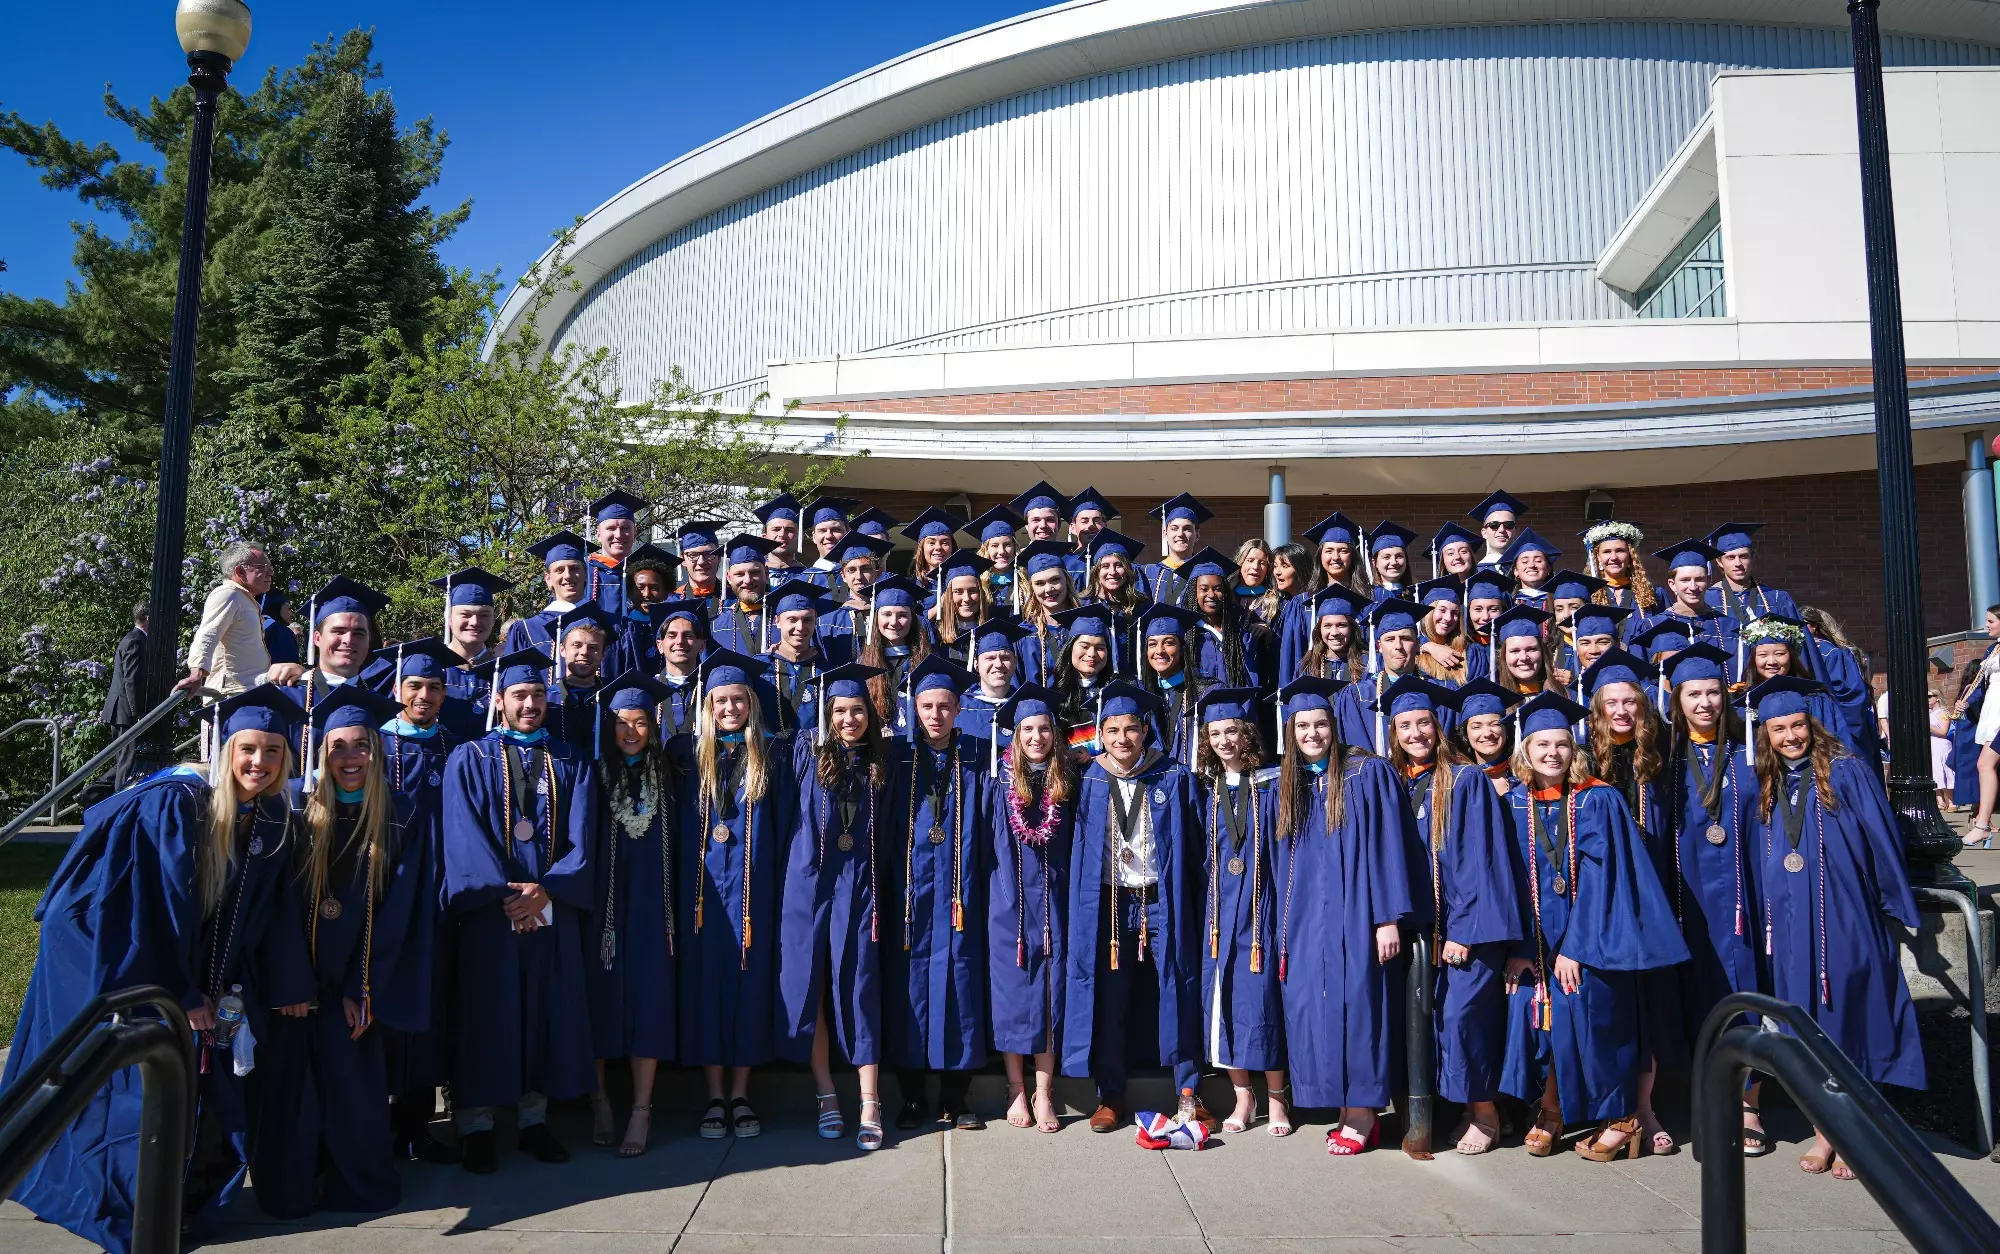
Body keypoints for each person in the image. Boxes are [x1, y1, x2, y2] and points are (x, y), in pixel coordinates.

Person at [3, 688, 312, 1254]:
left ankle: (177, 1194)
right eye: (248, 748)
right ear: (224, 747)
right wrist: (179, 990)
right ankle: (118, 1200)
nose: (259, 763)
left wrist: (264, 987)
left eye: (273, 751)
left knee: (193, 1071)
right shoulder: (178, 803)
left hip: (173, 953)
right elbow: (150, 903)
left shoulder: (270, 816)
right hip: (104, 944)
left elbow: (267, 911)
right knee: (114, 1077)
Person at [255, 686, 432, 1221]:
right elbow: (277, 912)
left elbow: (400, 913)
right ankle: (292, 1186)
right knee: (292, 1091)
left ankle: (356, 1186)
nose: (350, 758)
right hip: (298, 988)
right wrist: (291, 985)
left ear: (376, 753)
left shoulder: (400, 818)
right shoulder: (296, 816)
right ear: (320, 753)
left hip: (356, 987)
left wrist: (363, 988)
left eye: (361, 746)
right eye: (338, 747)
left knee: (353, 1090)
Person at [1744, 675, 1924, 1180]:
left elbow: (1883, 840)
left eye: (1796, 725)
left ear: (1812, 725)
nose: (1789, 737)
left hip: (1844, 918)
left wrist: (1896, 904)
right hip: (1791, 927)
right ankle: (1825, 1131)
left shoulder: (1847, 771)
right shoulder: (1769, 779)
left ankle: (1856, 1131)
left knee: (1851, 1015)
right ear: (1767, 735)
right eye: (1777, 729)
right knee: (1806, 1025)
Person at [1499, 692, 1689, 1162]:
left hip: (1595, 940)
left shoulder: (1598, 799)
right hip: (1538, 940)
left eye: (1561, 744)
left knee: (1597, 1013)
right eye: (1541, 744)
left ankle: (1621, 1118)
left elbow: (1608, 881)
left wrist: (1577, 948)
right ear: (1525, 751)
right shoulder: (1513, 805)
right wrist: (1524, 946)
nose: (1552, 754)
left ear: (1575, 749)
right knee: (1536, 1016)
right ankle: (1551, 1108)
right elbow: (1505, 880)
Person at [442, 646, 599, 1174]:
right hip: (491, 914)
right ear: (500, 699)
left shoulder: (571, 760)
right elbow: (462, 834)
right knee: (486, 1014)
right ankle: (477, 1126)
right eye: (519, 695)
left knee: (543, 1014)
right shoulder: (470, 757)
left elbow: (584, 838)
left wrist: (546, 891)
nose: (529, 703)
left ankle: (534, 1120)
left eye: (537, 694)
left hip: (549, 910)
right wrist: (507, 897)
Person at [1267, 674, 1414, 1156]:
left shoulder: (1365, 772)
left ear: (1335, 725)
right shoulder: (1285, 785)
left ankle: (1364, 1113)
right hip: (1308, 921)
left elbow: (1391, 845)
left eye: (1320, 724)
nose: (1312, 734)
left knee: (1360, 1005)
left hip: (1359, 914)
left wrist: (1388, 917)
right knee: (1312, 1005)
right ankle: (1340, 1104)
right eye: (1302, 726)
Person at [1379, 676, 1517, 1155]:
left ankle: (1484, 1112)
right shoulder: (1394, 782)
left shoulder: (1466, 780)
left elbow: (1482, 862)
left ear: (1438, 727)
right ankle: (1436, 1113)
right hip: (1416, 931)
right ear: (1393, 733)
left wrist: (1463, 930)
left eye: (1423, 723)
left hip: (1464, 931)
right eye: (1405, 726)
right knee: (1425, 1023)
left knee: (1463, 1018)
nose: (1416, 733)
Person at [1063, 680, 1209, 1133]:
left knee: (1179, 987)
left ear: (1145, 732)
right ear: (1100, 735)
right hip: (1109, 901)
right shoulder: (1085, 778)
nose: (1122, 739)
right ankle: (1111, 1096)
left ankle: (1188, 1093)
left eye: (1131, 730)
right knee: (1110, 999)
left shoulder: (1172, 775)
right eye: (1112, 731)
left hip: (1160, 899)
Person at [671, 648, 793, 1139]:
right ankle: (713, 1096)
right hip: (700, 900)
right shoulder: (684, 755)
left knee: (748, 985)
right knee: (705, 989)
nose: (729, 708)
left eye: (738, 700)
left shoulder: (772, 755)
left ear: (751, 703)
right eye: (720, 701)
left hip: (754, 894)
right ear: (708, 705)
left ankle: (740, 1093)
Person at [1657, 643, 1767, 1153]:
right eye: (1693, 694)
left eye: (1713, 692)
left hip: (1745, 897)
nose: (1705, 702)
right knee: (1696, 989)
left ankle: (1749, 1104)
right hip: (1688, 900)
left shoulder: (1752, 751)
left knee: (1748, 988)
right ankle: (1704, 1094)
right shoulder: (1662, 760)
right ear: (1676, 700)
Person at [780, 663, 891, 1150]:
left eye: (857, 710)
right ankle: (826, 1093)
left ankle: (869, 1099)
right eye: (840, 711)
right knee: (813, 986)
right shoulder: (805, 753)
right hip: (807, 883)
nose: (849, 719)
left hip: (859, 884)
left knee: (860, 983)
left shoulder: (881, 762)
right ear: (827, 715)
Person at [884, 656, 992, 1130]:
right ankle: (911, 1096)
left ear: (958, 708)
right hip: (908, 896)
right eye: (927, 705)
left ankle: (956, 1096)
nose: (935, 715)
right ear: (914, 708)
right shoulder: (894, 758)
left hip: (960, 894)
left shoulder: (979, 755)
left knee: (960, 987)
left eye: (944, 706)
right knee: (908, 990)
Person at [1580, 648, 1679, 1156]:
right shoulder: (1579, 756)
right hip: (1599, 892)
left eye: (1630, 702)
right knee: (1610, 1004)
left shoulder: (1664, 752)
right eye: (1610, 702)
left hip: (1653, 890)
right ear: (1596, 708)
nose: (1621, 710)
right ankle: (1613, 1107)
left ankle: (1643, 1108)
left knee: (1649, 1005)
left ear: (1643, 705)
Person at [377, 638, 465, 1166]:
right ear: (396, 689)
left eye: (434, 686)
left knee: (430, 1009)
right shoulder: (373, 748)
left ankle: (418, 1124)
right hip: (387, 897)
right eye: (415, 685)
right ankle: (381, 1123)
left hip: (438, 898)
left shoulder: (456, 749)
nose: (425, 695)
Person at [586, 673, 678, 1157]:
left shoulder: (671, 775)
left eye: (640, 723)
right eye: (622, 723)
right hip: (604, 913)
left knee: (650, 1004)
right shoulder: (592, 775)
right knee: (602, 1002)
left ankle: (641, 1110)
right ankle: (601, 1100)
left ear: (653, 727)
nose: (630, 732)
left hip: (653, 911)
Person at [1193, 687, 1289, 1137]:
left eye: (1232, 730)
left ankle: (1277, 1099)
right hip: (1218, 913)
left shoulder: (1273, 782)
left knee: (1262, 999)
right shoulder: (1204, 789)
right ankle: (1242, 1098)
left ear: (1247, 733)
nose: (1224, 740)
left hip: (1261, 909)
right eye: (1215, 733)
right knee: (1223, 1002)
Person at [987, 684, 1075, 1134]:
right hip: (1008, 902)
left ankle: (1045, 1092)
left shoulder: (1069, 782)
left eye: (1044, 728)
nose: (1036, 736)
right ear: (1015, 735)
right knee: (1012, 994)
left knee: (1050, 995)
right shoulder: (997, 782)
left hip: (1055, 903)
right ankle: (1016, 1088)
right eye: (1027, 729)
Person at [274, 576, 391, 766]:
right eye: (338, 631)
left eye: (359, 633)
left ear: (369, 641)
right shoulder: (288, 698)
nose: (349, 640)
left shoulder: (379, 701)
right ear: (317, 638)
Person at [1332, 597, 1437, 753]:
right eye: (1390, 639)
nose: (1398, 646)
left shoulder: (1436, 691)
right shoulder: (1357, 695)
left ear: (1417, 644)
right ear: (1379, 646)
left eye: (1406, 638)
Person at [181, 541, 280, 695]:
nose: (271, 573)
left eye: (270, 568)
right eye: (263, 568)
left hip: (245, 693)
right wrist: (196, 673)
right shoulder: (228, 594)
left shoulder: (243, 599)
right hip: (230, 695)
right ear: (240, 571)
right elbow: (208, 633)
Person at [429, 567, 511, 739]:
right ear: (449, 618)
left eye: (484, 615)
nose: (475, 622)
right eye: (465, 614)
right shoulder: (431, 669)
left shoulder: (504, 671)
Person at [765, 577, 850, 734]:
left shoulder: (828, 671)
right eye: (792, 620)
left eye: (807, 620)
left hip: (816, 755)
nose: (800, 627)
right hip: (771, 754)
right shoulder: (762, 669)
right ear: (777, 621)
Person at [1640, 539, 1741, 668]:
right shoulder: (1652, 626)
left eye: (1699, 579)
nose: (1693, 587)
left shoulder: (1730, 626)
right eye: (1685, 580)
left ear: (1709, 581)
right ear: (1672, 584)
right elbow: (1642, 678)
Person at [857, 574, 930, 736]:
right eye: (887, 614)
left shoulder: (925, 663)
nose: (894, 622)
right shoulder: (862, 665)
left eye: (902, 615)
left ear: (913, 619)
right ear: (876, 618)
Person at [543, 604, 618, 753]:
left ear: (603, 654)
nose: (584, 652)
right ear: (562, 650)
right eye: (576, 645)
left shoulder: (615, 696)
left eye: (593, 647)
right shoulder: (547, 699)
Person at [1138, 602, 1206, 765]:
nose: (1159, 651)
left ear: (1182, 649)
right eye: (1152, 644)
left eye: (1168, 643)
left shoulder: (1204, 692)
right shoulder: (1142, 693)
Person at [1082, 529, 1149, 676]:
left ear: (1128, 570)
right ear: (1096, 572)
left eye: (1119, 565)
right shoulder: (1084, 608)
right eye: (1105, 566)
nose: (1112, 572)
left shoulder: (1142, 608)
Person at [1703, 522, 1800, 623]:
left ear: (1752, 557)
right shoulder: (1707, 600)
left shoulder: (1777, 599)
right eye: (1730, 557)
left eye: (1743, 556)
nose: (1738, 563)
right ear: (1719, 562)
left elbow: (1800, 637)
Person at [956, 616, 1029, 743]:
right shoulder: (958, 708)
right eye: (990, 658)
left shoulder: (1026, 705)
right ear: (976, 664)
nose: (998, 664)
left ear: (1015, 662)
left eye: (1005, 658)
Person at [1016, 539, 1078, 686]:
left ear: (1066, 581)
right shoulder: (1024, 635)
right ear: (1032, 589)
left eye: (1055, 580)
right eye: (1039, 583)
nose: (1049, 589)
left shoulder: (1083, 626)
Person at [648, 598, 712, 740]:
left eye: (688, 635)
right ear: (660, 645)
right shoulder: (648, 691)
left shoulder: (712, 689)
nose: (680, 642)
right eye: (672, 635)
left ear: (702, 645)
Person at [100, 602, 148, 789]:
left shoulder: (132, 638)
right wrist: (137, 713)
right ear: (148, 618)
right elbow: (131, 680)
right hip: (126, 712)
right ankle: (119, 803)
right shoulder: (136, 641)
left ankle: (90, 794)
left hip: (122, 710)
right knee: (127, 762)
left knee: (124, 760)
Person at [711, 533, 781, 654]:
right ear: (728, 577)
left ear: (766, 573)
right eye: (739, 574)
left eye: (755, 572)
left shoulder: (786, 620)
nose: (748, 580)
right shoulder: (715, 626)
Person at [1143, 493, 1212, 608]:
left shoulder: (1206, 573)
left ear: (1197, 535)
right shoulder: (1148, 573)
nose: (1180, 534)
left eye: (1187, 529)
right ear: (1165, 534)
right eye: (1174, 528)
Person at [930, 547, 996, 666]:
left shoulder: (994, 632)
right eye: (958, 592)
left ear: (981, 593)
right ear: (947, 596)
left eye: (972, 591)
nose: (966, 598)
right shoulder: (935, 635)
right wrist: (938, 607)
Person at [586, 489, 647, 617]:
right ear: (598, 534)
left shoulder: (647, 574)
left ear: (634, 534)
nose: (618, 535)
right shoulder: (583, 575)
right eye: (611, 528)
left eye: (625, 528)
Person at [1580, 521, 1657, 615]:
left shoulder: (1650, 594)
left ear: (1630, 555)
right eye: (1607, 552)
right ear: (1598, 557)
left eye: (1620, 551)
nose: (1614, 557)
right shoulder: (1586, 596)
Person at [967, 504, 1025, 613]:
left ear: (1015, 548)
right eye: (994, 545)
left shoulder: (1026, 582)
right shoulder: (976, 584)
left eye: (1007, 545)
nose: (1002, 551)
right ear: (986, 550)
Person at [902, 507, 963, 598]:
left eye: (945, 543)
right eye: (931, 543)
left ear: (952, 548)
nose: (938, 547)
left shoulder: (964, 583)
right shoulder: (909, 587)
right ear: (922, 548)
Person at [803, 495, 858, 588]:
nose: (829, 536)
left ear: (848, 533)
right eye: (822, 530)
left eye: (836, 529)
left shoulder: (864, 578)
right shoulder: (803, 581)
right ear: (814, 537)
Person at [675, 520, 728, 614]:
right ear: (683, 560)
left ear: (719, 558)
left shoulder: (735, 600)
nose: (701, 562)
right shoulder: (673, 601)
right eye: (693, 555)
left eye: (709, 554)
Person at [1501, 529, 1561, 609]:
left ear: (1548, 568)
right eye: (1525, 561)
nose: (1532, 565)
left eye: (1538, 561)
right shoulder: (1507, 604)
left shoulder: (1558, 603)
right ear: (1516, 571)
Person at [1468, 490, 1527, 570]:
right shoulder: (1474, 573)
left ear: (1516, 532)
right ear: (1484, 533)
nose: (1501, 530)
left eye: (1508, 525)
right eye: (1494, 525)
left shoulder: (1527, 570)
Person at [755, 490, 808, 578]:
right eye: (776, 529)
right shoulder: (753, 577)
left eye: (789, 530)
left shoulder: (810, 578)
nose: (782, 534)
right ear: (764, 537)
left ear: (800, 537)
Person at [1364, 520, 1418, 601]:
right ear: (1375, 563)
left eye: (1399, 556)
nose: (1393, 562)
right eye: (1386, 557)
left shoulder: (1417, 595)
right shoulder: (1367, 597)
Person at [1234, 537, 1274, 619]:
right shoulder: (1226, 596)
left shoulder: (1276, 601)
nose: (1255, 567)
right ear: (1241, 563)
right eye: (1250, 560)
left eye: (1262, 563)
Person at [261, 590, 300, 667]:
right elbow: (287, 665)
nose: (292, 615)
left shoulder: (253, 625)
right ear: (277, 608)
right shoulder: (279, 630)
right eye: (289, 609)